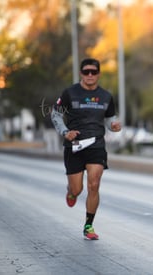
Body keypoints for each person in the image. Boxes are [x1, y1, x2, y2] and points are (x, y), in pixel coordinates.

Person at [51, 58, 121, 240]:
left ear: (98, 74)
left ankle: (88, 225)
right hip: (74, 145)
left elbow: (109, 118)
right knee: (78, 189)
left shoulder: (106, 96)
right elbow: (55, 114)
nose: (90, 75)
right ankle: (71, 191)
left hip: (96, 144)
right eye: (86, 72)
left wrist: (113, 125)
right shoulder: (69, 93)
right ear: (81, 73)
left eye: (93, 72)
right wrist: (65, 132)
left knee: (94, 184)